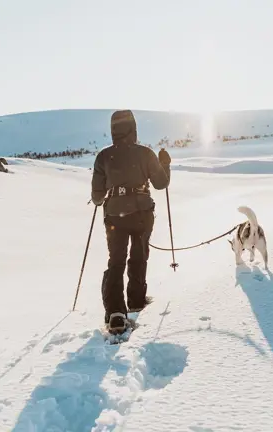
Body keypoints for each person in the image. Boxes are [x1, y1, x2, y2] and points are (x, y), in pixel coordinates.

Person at [91, 110, 171, 334]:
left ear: (113, 130)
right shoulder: (145, 154)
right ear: (133, 129)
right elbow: (161, 184)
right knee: (139, 254)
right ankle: (136, 300)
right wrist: (165, 164)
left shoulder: (103, 157)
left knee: (116, 260)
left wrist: (106, 193)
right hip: (142, 213)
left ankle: (115, 313)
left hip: (114, 216)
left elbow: (97, 198)